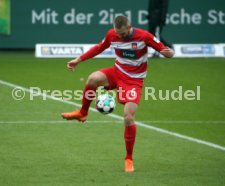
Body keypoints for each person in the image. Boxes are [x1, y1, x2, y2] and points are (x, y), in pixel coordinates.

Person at [61, 15, 174, 173]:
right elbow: (99, 48)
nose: (119, 36)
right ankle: (82, 113)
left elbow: (164, 50)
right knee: (93, 79)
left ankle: (128, 158)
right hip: (117, 72)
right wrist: (78, 59)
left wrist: (169, 54)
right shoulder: (112, 34)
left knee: (128, 117)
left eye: (122, 34)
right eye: (117, 33)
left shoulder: (144, 36)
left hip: (134, 80)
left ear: (129, 28)